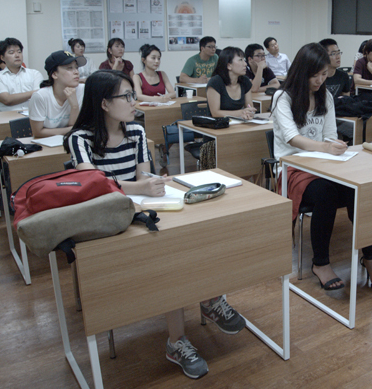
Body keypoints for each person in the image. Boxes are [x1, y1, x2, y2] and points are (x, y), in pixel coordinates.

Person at [65, 70, 244, 380]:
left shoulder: (135, 130)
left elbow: (143, 175)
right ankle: (176, 341)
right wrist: (139, 187)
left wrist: (153, 184)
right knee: (169, 258)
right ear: (104, 103)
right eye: (127, 96)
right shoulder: (79, 138)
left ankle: (210, 298)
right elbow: (93, 182)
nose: (133, 102)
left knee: (194, 235)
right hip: (104, 221)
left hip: (140, 211)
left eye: (133, 95)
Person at [271, 42, 372, 293]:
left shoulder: (325, 96)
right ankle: (320, 263)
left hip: (323, 165)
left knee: (358, 189)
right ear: (301, 72)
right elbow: (292, 138)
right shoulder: (283, 97)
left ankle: (370, 258)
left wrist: (335, 146)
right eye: (315, 75)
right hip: (293, 168)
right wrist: (325, 147)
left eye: (324, 74)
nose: (320, 80)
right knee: (326, 191)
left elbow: (330, 135)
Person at [29, 50, 85, 138]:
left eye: (76, 67)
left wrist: (74, 107)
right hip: (45, 143)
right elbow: (38, 132)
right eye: (69, 68)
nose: (76, 72)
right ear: (55, 74)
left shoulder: (83, 90)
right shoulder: (41, 96)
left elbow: (75, 129)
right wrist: (71, 130)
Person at [0, 37, 43, 112]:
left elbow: (39, 97)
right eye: (11, 52)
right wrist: (34, 92)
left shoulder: (35, 74)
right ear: (2, 58)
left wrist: (15, 97)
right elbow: (7, 100)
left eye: (19, 52)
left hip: (33, 115)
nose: (17, 55)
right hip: (8, 117)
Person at [207, 47, 255, 120]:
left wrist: (250, 113)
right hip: (218, 123)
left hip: (239, 122)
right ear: (229, 65)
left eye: (244, 60)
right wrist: (241, 112)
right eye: (240, 60)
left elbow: (249, 107)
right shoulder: (215, 82)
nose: (245, 64)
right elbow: (215, 113)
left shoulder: (245, 81)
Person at [319, 38, 353, 143]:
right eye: (333, 54)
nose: (338, 57)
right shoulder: (318, 77)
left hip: (337, 115)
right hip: (320, 116)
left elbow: (346, 100)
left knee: (354, 129)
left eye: (339, 53)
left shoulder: (343, 76)